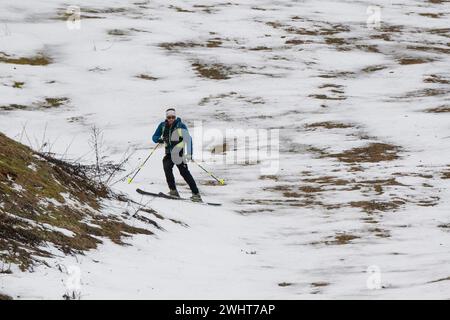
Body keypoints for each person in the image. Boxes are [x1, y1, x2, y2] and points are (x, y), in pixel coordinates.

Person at [152, 108, 202, 202]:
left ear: (175, 117)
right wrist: (159, 139)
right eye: (169, 117)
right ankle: (173, 191)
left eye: (173, 117)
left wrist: (189, 154)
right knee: (167, 168)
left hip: (179, 153)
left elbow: (188, 139)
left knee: (184, 173)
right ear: (166, 118)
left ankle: (196, 194)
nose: (171, 119)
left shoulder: (180, 126)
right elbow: (154, 137)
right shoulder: (162, 126)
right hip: (168, 153)